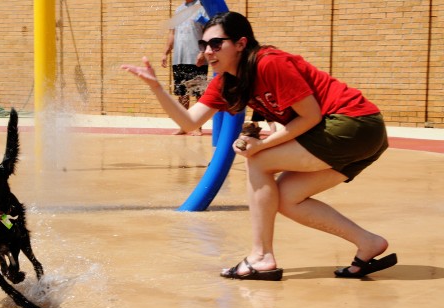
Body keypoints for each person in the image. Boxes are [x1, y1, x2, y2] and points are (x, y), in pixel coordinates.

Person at [122, 11, 397, 280]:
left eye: (216, 43)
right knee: (288, 199)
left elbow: (310, 115)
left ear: (241, 44)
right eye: (203, 44)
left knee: (259, 160)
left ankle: (261, 256)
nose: (208, 51)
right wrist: (156, 88)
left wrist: (260, 147)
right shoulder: (225, 82)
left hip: (353, 123)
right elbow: (190, 121)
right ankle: (368, 242)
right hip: (357, 136)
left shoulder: (269, 63)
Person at [161, 0, 209, 136]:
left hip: (196, 59)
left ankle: (198, 127)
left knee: (198, 93)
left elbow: (207, 32)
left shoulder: (202, 6)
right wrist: (165, 52)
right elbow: (172, 33)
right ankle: (184, 126)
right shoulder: (178, 10)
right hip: (179, 58)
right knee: (182, 94)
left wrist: (202, 52)